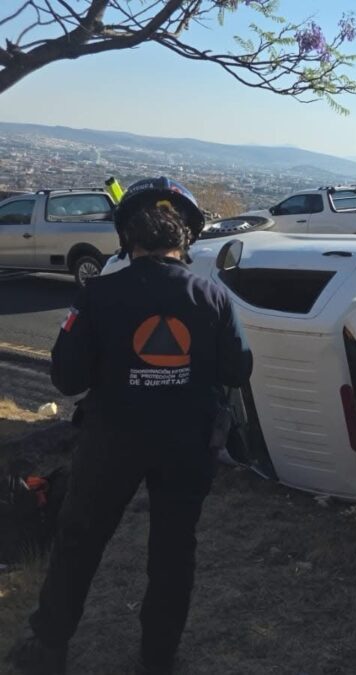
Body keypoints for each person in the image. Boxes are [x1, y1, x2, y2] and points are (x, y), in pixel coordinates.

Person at [7, 178, 253, 674]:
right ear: (185, 242)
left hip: (111, 441)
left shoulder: (97, 295)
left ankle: (49, 646)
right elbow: (238, 371)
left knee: (80, 539)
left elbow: (66, 376)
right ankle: (159, 656)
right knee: (174, 550)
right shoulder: (213, 296)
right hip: (186, 444)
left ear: (129, 240)